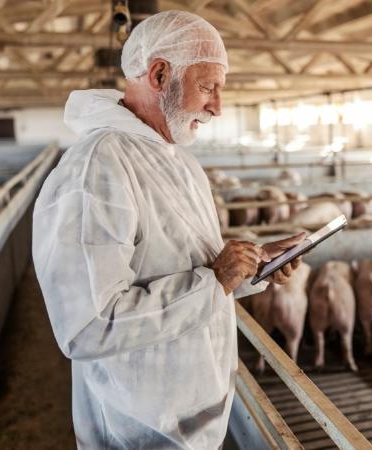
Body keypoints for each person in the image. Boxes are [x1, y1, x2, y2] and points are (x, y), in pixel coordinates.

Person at [31, 11, 304, 449]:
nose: (217, 106)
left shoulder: (179, 162)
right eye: (208, 87)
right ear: (160, 74)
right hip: (137, 431)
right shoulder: (96, 168)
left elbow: (194, 265)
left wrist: (254, 266)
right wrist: (214, 280)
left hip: (189, 423)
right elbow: (88, 325)